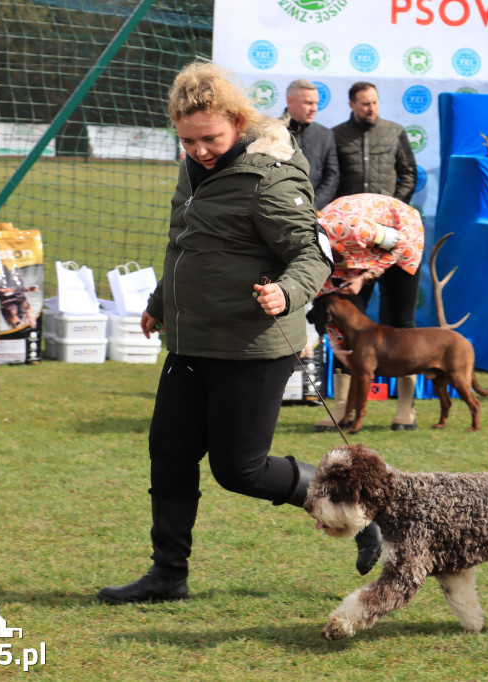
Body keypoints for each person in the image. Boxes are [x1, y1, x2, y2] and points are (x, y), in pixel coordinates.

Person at [97, 61, 381, 606]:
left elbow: (314, 253)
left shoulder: (270, 175)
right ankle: (167, 575)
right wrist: (161, 301)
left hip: (253, 344)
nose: (200, 150)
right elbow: (189, 243)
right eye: (188, 140)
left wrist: (287, 293)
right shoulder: (192, 167)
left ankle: (360, 509)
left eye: (211, 138)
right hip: (190, 339)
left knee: (240, 470)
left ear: (236, 120)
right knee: (170, 453)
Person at [328, 82, 420, 430]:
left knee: (402, 323)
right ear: (351, 104)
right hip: (353, 243)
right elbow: (332, 178)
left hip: (397, 238)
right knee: (345, 325)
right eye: (365, 103)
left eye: (375, 102)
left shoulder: (395, 132)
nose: (371, 108)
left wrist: (393, 207)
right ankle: (341, 409)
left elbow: (409, 174)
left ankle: (405, 410)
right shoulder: (336, 136)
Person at [284, 79, 339, 210]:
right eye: (308, 103)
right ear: (290, 101)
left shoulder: (325, 135)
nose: (314, 108)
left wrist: (314, 205)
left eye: (316, 103)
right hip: (280, 208)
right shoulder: (271, 131)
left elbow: (332, 175)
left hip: (314, 212)